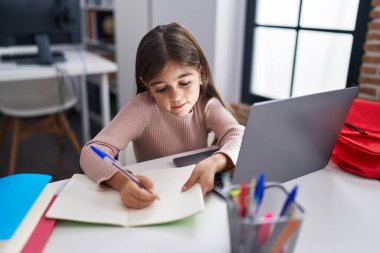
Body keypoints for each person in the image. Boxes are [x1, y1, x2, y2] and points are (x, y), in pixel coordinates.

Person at [80, 22, 244, 209]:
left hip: (193, 195)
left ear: (201, 73)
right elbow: (91, 151)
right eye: (161, 88)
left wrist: (214, 162)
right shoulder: (141, 109)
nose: (176, 96)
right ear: (147, 85)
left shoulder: (206, 105)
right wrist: (123, 181)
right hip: (156, 198)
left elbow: (238, 135)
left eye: (184, 83)